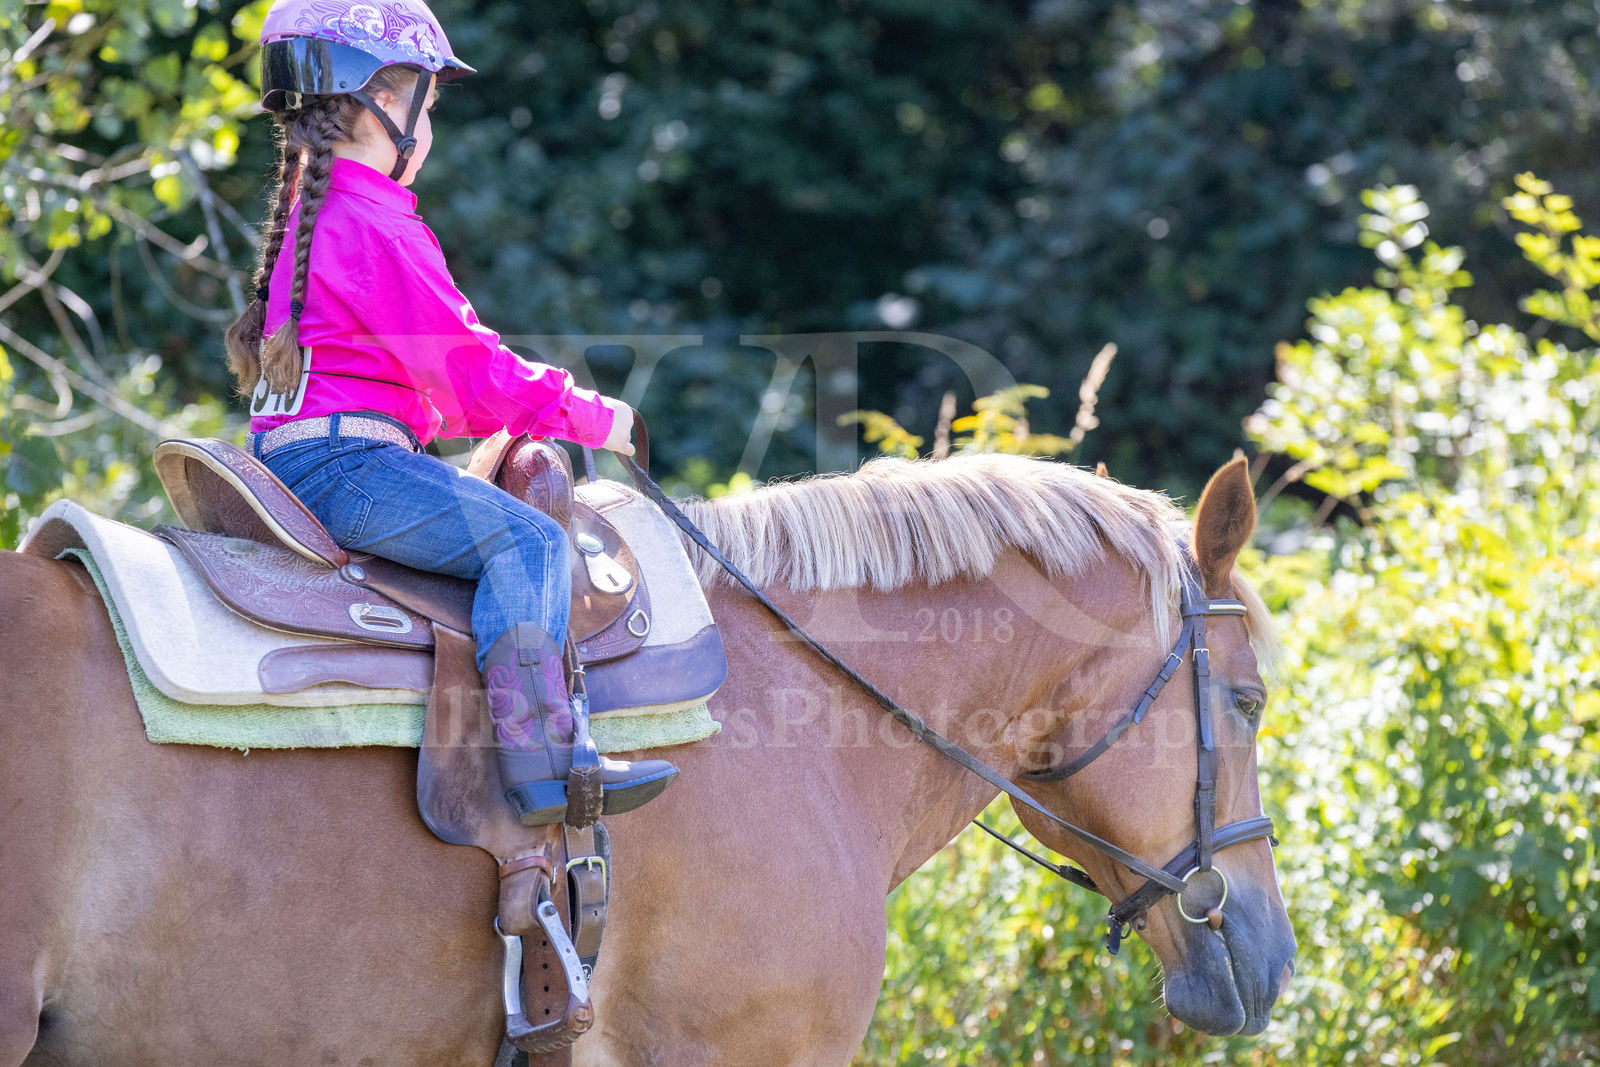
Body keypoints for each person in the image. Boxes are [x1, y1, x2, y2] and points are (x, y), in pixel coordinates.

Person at [225, 0, 677, 825]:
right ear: (379, 105)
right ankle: (544, 761)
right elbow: (470, 371)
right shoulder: (371, 224)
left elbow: (430, 388)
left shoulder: (309, 219)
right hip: (350, 467)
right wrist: (595, 418)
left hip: (302, 457)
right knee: (529, 538)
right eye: (426, 108)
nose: (429, 128)